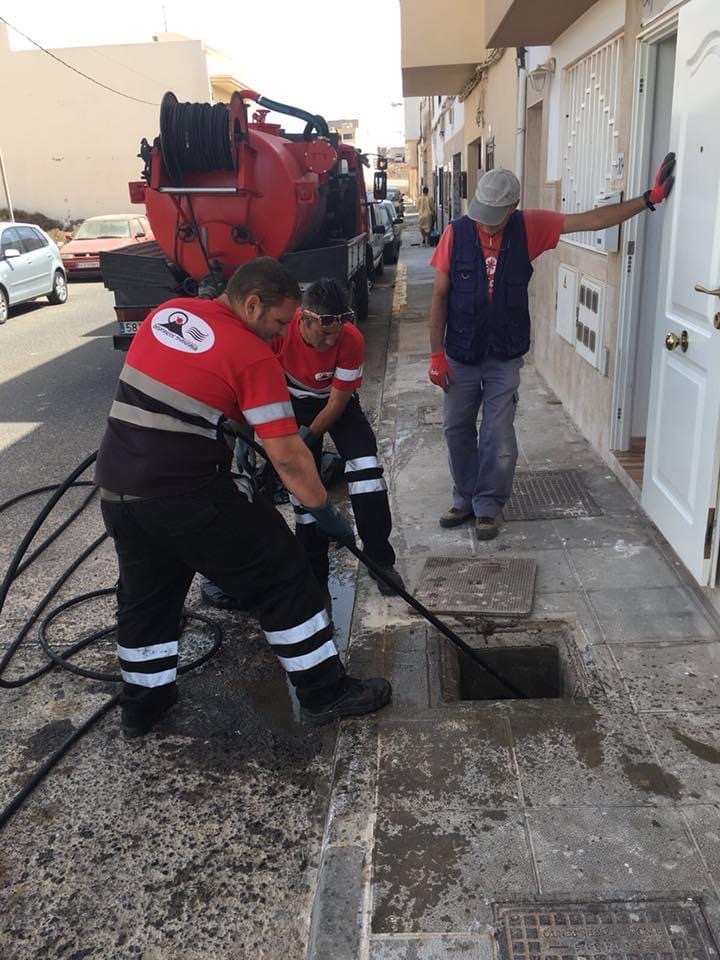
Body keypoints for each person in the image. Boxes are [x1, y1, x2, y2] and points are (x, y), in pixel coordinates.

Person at [94, 257, 392, 737]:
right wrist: (322, 511)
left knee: (147, 597)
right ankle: (324, 693)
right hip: (186, 494)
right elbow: (290, 458)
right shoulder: (252, 355)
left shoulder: (165, 316)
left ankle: (143, 706)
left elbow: (194, 390)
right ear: (251, 304)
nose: (280, 337)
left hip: (118, 488)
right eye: (277, 322)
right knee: (283, 570)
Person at [428, 156, 676, 540]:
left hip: (504, 355)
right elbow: (440, 296)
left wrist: (649, 199)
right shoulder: (455, 232)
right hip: (461, 352)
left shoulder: (530, 228)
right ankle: (463, 498)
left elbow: (591, 219)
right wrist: (435, 355)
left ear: (513, 207)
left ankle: (488, 506)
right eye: (483, 213)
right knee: (456, 429)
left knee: (498, 433)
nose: (487, 221)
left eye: (496, 214)